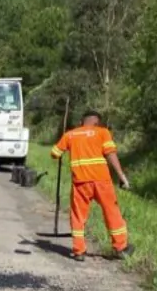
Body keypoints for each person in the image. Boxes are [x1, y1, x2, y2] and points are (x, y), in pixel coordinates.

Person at [50, 111, 131, 261]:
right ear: (97, 123)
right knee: (111, 212)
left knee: (78, 216)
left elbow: (54, 153)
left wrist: (62, 146)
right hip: (101, 181)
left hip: (80, 182)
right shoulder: (102, 132)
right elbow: (111, 154)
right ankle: (121, 247)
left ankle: (79, 251)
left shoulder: (70, 134)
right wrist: (122, 176)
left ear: (82, 121)